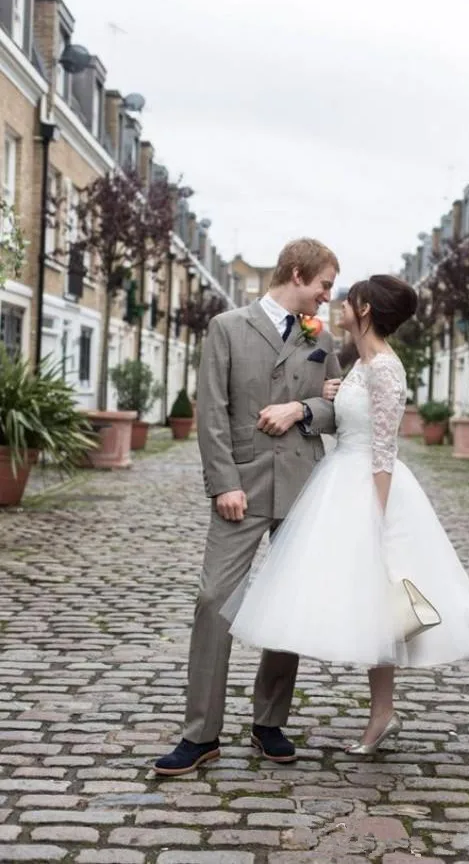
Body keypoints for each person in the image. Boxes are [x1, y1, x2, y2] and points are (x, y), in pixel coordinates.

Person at [225, 274, 469, 755]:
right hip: (341, 478)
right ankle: (383, 715)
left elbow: (383, 450)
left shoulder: (386, 370)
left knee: (395, 586)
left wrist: (374, 517)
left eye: (348, 299)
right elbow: (352, 416)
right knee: (379, 605)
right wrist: (334, 393)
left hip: (369, 487)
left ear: (366, 310)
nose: (338, 303)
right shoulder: (362, 363)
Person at [154, 238, 341, 775]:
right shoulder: (228, 327)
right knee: (213, 601)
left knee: (289, 603)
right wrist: (223, 484)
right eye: (325, 284)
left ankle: (269, 723)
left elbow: (337, 407)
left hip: (303, 486)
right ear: (299, 273)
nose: (328, 296)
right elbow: (211, 411)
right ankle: (201, 734)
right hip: (243, 486)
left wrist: (302, 408)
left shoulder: (322, 337)